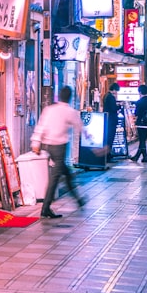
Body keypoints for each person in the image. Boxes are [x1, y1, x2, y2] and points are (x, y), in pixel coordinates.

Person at [31, 85, 84, 218]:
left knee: (67, 174)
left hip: (47, 146)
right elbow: (80, 127)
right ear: (70, 98)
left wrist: (35, 143)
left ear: (59, 96)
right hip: (60, 148)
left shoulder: (49, 109)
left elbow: (40, 126)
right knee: (54, 178)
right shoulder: (69, 111)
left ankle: (78, 200)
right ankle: (45, 208)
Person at [129, 84, 147, 163]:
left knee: (142, 140)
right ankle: (142, 157)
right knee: (143, 140)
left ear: (140, 92)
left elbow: (136, 113)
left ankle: (140, 157)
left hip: (141, 123)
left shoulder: (139, 102)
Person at [103, 82, 120, 157]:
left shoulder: (106, 95)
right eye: (116, 91)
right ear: (114, 89)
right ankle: (108, 154)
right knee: (110, 137)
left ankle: (107, 153)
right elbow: (113, 108)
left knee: (107, 136)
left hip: (107, 119)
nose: (116, 93)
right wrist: (119, 106)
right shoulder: (111, 97)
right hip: (112, 120)